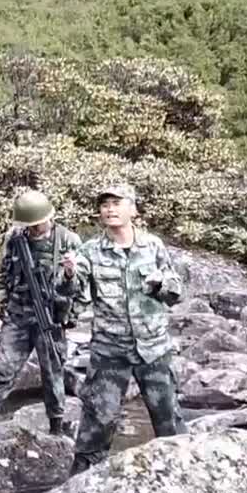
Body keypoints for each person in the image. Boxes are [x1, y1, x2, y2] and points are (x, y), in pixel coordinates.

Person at [70, 183, 186, 475]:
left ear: (132, 209)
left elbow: (175, 293)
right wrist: (67, 273)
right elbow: (72, 292)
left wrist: (161, 284)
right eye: (105, 204)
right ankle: (82, 482)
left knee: (168, 418)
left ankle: (183, 474)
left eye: (116, 203)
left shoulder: (153, 246)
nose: (109, 209)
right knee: (98, 419)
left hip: (153, 347)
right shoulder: (90, 251)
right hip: (110, 349)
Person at [0, 190, 82, 436]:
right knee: (4, 368)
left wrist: (69, 284)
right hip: (18, 314)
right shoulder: (15, 238)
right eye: (29, 225)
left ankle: (56, 423)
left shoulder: (68, 241)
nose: (33, 229)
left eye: (37, 224)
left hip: (50, 318)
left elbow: (81, 287)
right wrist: (2, 304)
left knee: (53, 373)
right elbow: (4, 273)